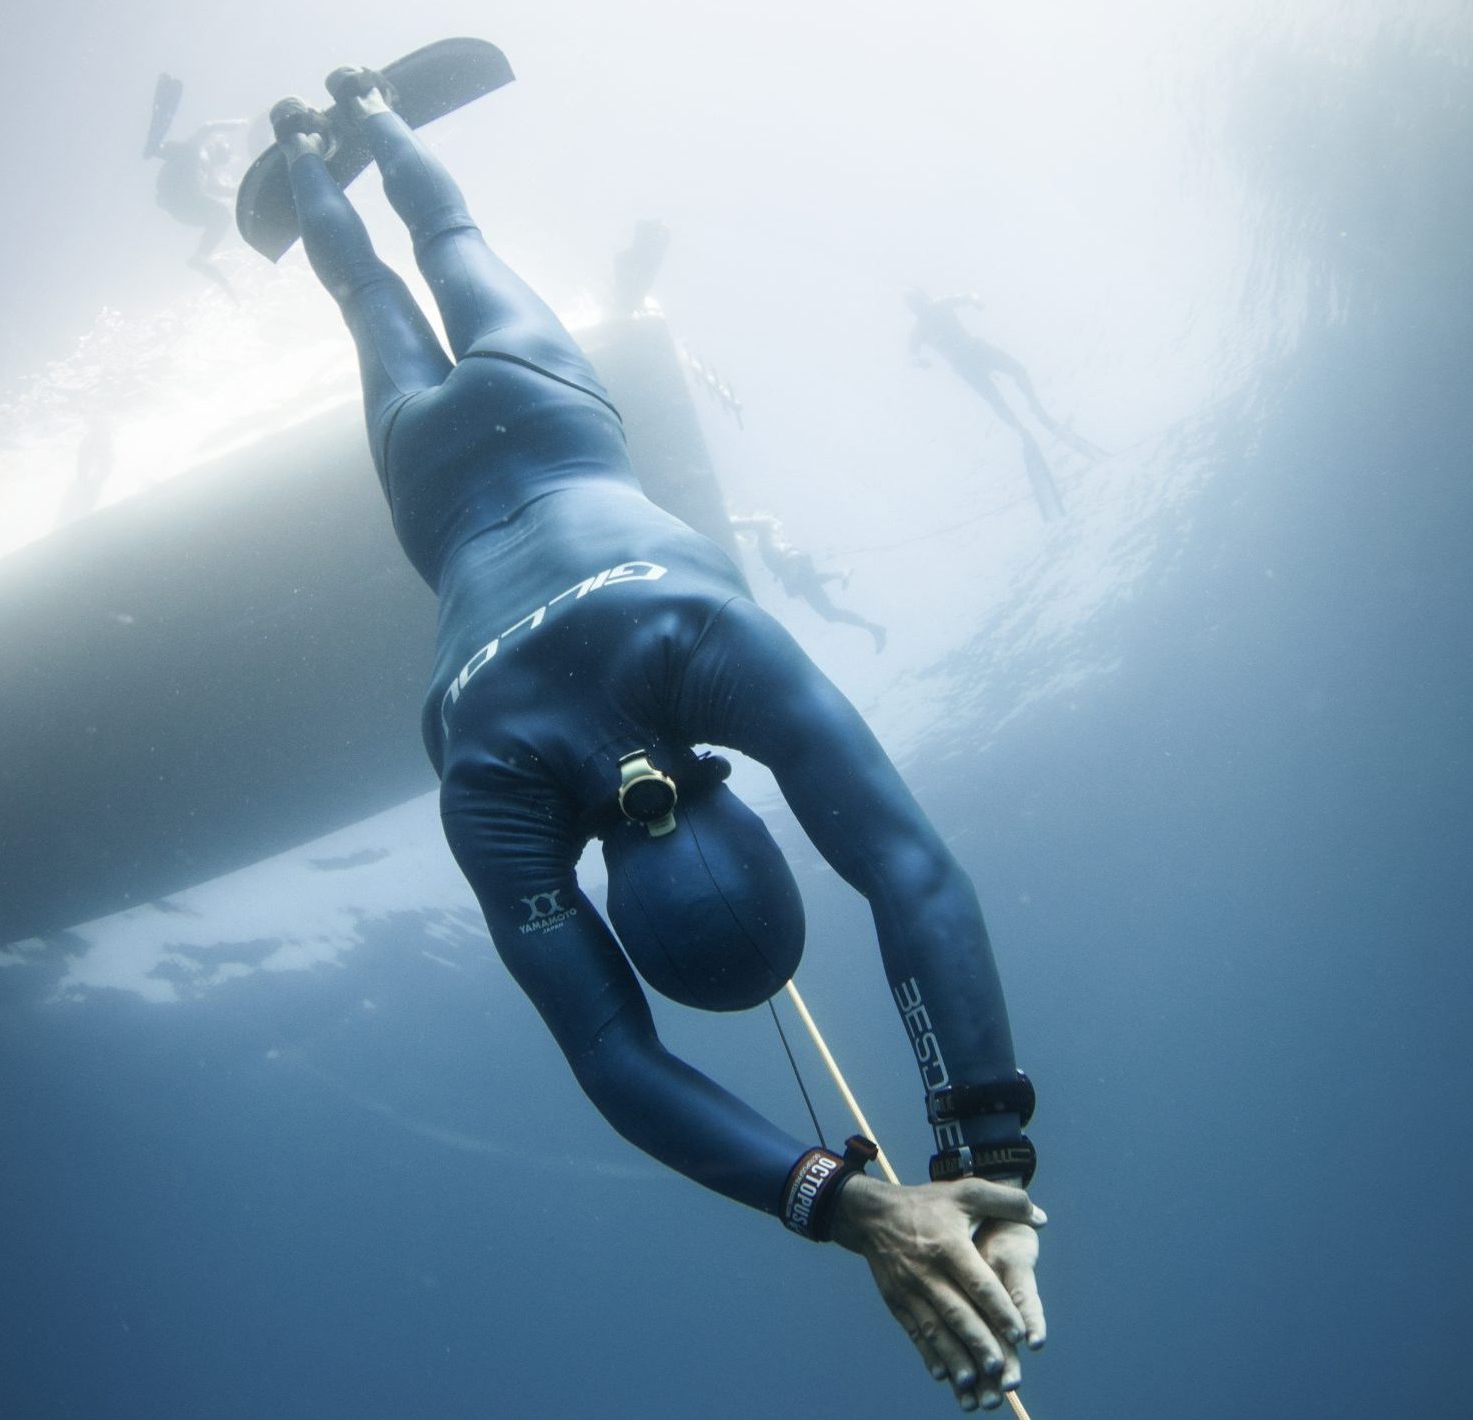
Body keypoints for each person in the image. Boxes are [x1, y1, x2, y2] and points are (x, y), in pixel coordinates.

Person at [264, 67, 1047, 1411]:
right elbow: (615, 1063)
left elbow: (908, 874)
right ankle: (319, 147)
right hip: (439, 494)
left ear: (738, 809)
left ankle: (374, 114)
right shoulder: (486, 784)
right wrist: (851, 1208)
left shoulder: (701, 642)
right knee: (376, 302)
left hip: (548, 417)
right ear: (609, 898)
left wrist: (990, 1166)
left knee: (453, 251)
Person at [906, 287, 1103, 522]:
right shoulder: (920, 327)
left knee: (1016, 374)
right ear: (916, 307)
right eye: (916, 305)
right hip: (967, 363)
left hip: (974, 352)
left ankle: (1034, 413)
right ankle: (1024, 428)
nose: (921, 307)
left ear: (923, 299)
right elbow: (912, 354)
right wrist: (919, 361)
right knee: (999, 399)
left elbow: (969, 296)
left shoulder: (938, 307)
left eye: (919, 302)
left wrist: (977, 301)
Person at [145, 74, 249, 298]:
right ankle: (157, 148)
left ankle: (201, 256)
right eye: (223, 151)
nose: (222, 157)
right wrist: (236, 124)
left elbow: (222, 190)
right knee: (186, 154)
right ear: (217, 146)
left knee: (223, 216)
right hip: (178, 198)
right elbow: (206, 127)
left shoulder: (207, 172)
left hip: (184, 208)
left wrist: (247, 186)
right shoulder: (197, 149)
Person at [731, 512, 886, 652]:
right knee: (829, 613)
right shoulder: (767, 531)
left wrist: (728, 521)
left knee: (798, 589)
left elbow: (740, 523)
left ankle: (839, 574)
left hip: (791, 561)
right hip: (793, 563)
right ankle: (872, 627)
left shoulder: (766, 523)